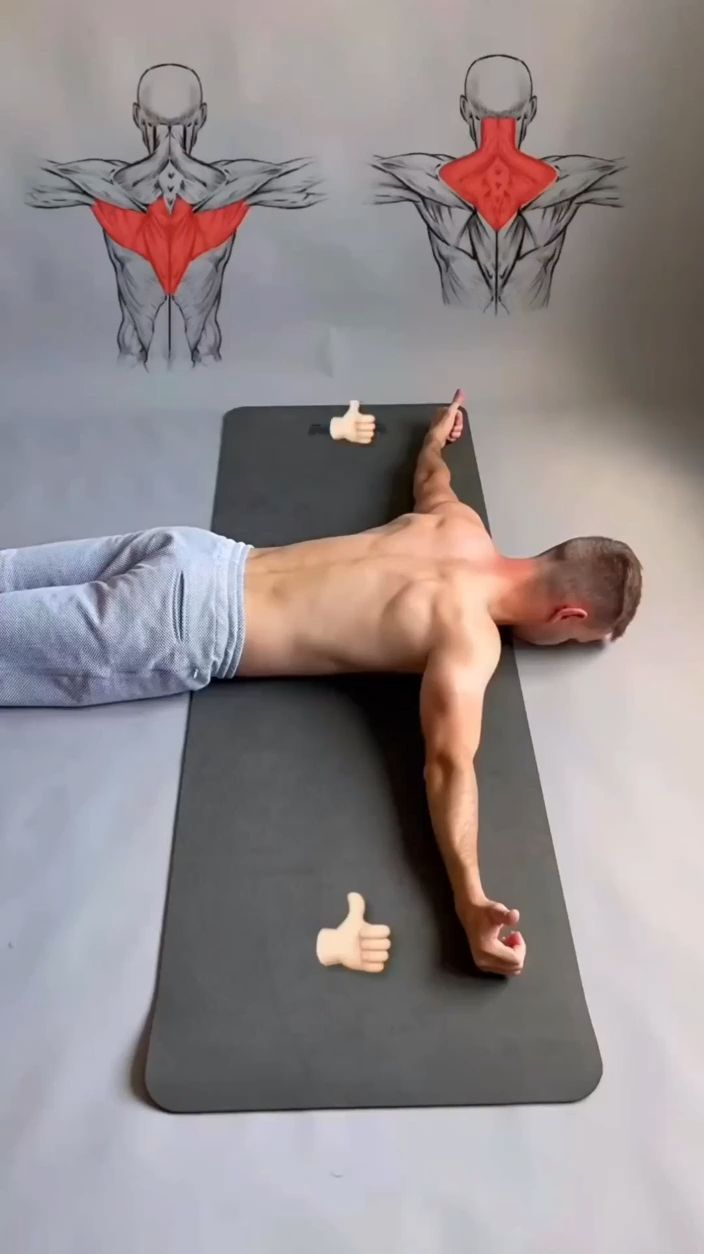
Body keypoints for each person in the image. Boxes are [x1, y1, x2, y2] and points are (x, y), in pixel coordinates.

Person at [0, 394, 642, 976]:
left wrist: (433, 438)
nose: (573, 644)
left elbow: (431, 478)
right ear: (569, 616)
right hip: (182, 623)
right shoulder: (469, 636)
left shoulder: (460, 524)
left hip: (195, 552)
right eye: (580, 638)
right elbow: (449, 766)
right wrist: (471, 896)